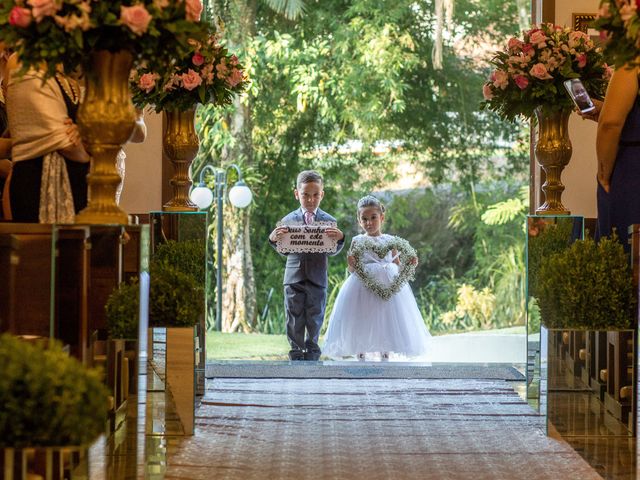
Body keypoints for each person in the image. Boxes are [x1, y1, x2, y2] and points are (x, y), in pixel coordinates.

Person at [322, 195, 431, 361]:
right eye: (364, 219)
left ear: (382, 217)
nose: (369, 222)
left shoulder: (391, 240)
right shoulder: (357, 240)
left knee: (386, 316)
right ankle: (360, 349)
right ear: (359, 221)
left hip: (389, 284)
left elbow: (396, 263)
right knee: (362, 315)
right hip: (363, 286)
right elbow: (353, 269)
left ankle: (385, 350)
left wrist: (410, 263)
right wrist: (350, 263)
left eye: (373, 218)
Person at [269, 170, 345, 361]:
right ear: (297, 194)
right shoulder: (287, 220)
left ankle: (312, 350)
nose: (310, 200)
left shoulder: (329, 221)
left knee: (315, 315)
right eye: (305, 195)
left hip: (317, 276)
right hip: (293, 276)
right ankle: (296, 350)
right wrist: (273, 239)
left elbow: (332, 250)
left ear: (322, 194)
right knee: (293, 315)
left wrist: (341, 238)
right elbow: (284, 250)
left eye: (315, 195)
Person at [5, 57, 90, 223]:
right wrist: (87, 156)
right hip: (38, 180)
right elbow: (59, 137)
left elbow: (89, 134)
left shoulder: (71, 83)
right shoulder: (23, 61)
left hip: (76, 182)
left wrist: (81, 134)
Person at [583, 64, 640, 252]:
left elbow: (610, 124)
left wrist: (603, 174)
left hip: (633, 171)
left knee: (623, 253)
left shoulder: (632, 62)